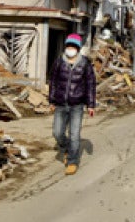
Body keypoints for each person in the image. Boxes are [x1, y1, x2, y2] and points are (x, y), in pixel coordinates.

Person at [48, 33, 96, 175]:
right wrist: (52, 100)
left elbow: (90, 84)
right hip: (61, 104)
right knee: (57, 133)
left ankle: (72, 161)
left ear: (78, 48)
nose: (70, 49)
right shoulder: (59, 62)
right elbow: (53, 82)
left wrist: (91, 105)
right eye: (68, 46)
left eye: (73, 46)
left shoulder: (85, 63)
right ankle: (67, 149)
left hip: (77, 105)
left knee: (74, 135)